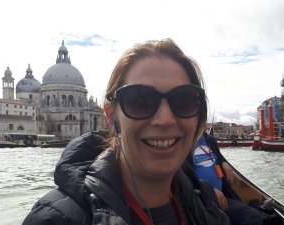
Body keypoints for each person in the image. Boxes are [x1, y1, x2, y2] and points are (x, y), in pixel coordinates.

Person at [22, 39, 230, 225]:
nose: (165, 119)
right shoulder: (54, 219)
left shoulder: (208, 206)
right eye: (140, 100)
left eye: (183, 100)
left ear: (197, 117)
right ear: (111, 116)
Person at [189, 132, 264, 225]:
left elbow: (219, 157)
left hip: (222, 199)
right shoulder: (183, 142)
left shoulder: (209, 139)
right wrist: (209, 190)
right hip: (200, 201)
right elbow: (184, 176)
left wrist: (224, 162)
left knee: (254, 217)